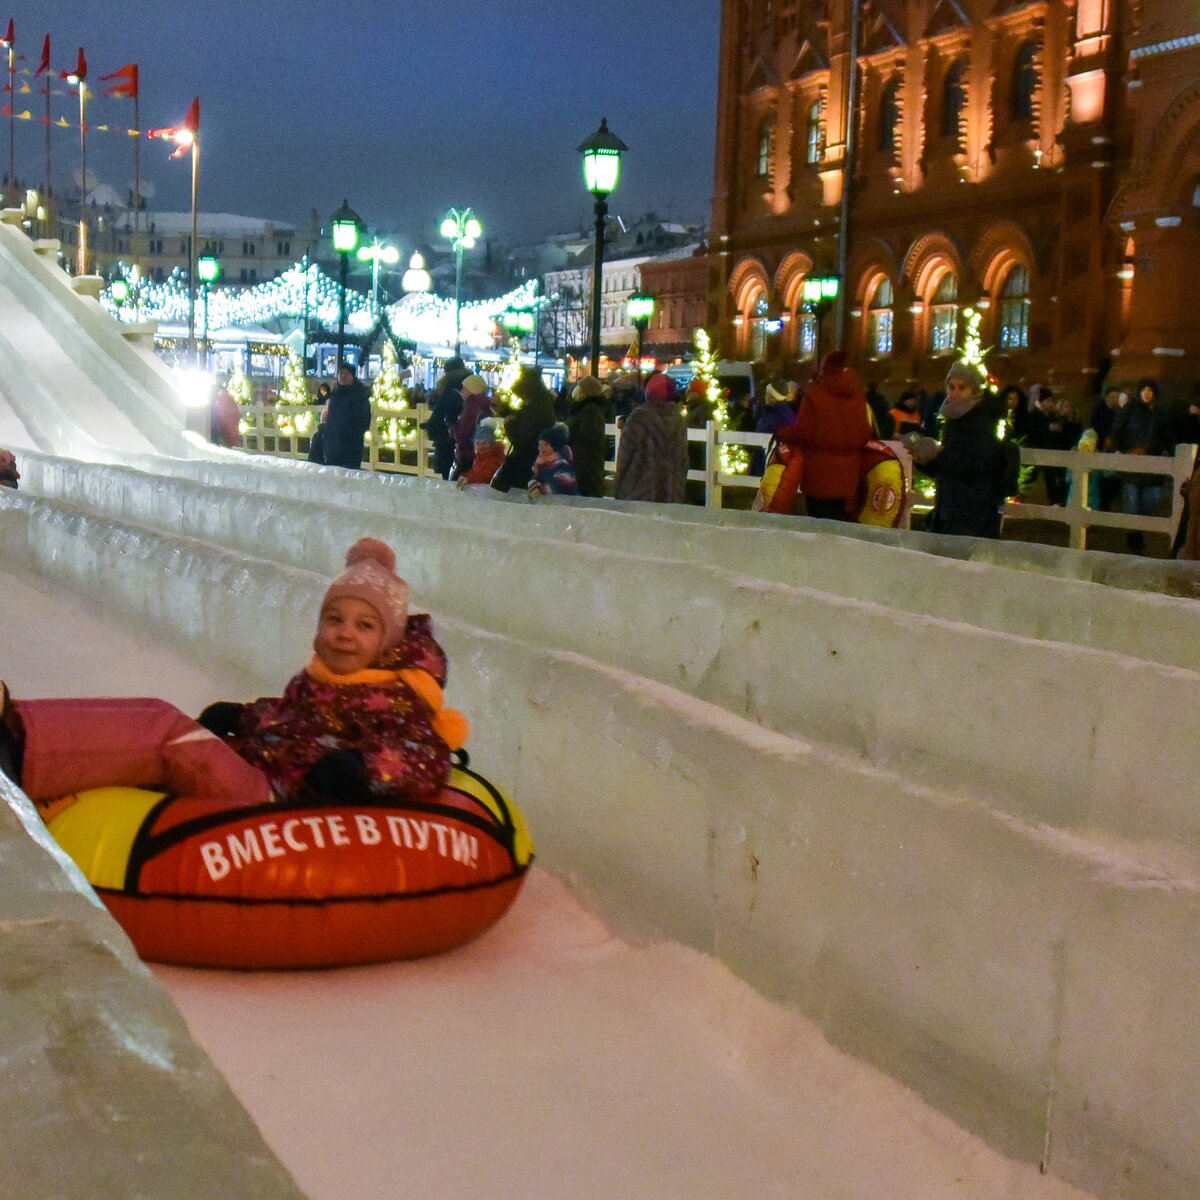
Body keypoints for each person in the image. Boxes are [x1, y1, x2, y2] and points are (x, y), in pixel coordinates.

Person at [0, 539, 467, 813]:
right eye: (334, 620)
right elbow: (290, 719)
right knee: (159, 712)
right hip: (264, 769)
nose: (344, 634)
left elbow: (424, 755)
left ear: (387, 643)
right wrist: (246, 715)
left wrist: (363, 770)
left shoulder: (394, 698)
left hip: (279, 800)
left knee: (166, 732)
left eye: (365, 627)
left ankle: (21, 755)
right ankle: (18, 721)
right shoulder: (321, 681)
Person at [768, 351, 872, 521]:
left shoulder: (815, 397)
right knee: (842, 523)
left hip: (819, 476)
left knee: (819, 524)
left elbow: (805, 432)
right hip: (848, 476)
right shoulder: (858, 398)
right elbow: (865, 434)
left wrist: (782, 432)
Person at [910, 359, 1006, 538]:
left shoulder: (982, 421)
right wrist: (923, 459)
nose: (955, 393)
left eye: (962, 388)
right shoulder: (955, 418)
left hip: (972, 514)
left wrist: (940, 454)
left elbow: (978, 467)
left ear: (974, 390)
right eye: (951, 387)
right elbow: (947, 469)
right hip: (951, 511)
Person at [1105, 377, 1171, 553]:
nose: (1147, 394)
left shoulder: (1160, 413)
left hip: (1153, 470)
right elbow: (1116, 431)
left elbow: (1167, 437)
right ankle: (1134, 540)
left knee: (1153, 499)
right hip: (1131, 468)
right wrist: (1119, 451)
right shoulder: (1130, 410)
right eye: (1144, 390)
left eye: (1150, 390)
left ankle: (1139, 530)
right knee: (1131, 505)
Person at [613, 371, 689, 504]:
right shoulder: (679, 420)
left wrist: (618, 487)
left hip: (639, 492)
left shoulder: (638, 417)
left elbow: (624, 457)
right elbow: (683, 461)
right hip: (671, 493)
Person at [491, 367, 557, 493]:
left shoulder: (536, 409)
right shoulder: (539, 405)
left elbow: (520, 437)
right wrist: (504, 410)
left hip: (525, 461)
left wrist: (509, 424)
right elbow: (521, 417)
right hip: (528, 459)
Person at [422, 356, 470, 479]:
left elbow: (438, 414)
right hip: (466, 440)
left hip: (447, 438)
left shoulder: (448, 390)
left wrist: (430, 428)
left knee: (443, 474)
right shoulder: (470, 387)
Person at [321, 364, 372, 470]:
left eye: (346, 374)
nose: (343, 376)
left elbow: (364, 420)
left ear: (352, 376)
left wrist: (354, 435)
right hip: (333, 445)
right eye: (341, 373)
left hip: (350, 446)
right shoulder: (335, 394)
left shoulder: (359, 395)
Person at [565, 375, 609, 498]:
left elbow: (585, 437)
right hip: (582, 466)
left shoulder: (591, 411)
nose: (577, 390)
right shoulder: (585, 410)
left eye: (580, 387)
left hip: (585, 469)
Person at [450, 374, 492, 478]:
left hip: (468, 455)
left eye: (464, 388)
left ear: (471, 390)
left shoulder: (471, 407)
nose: (462, 392)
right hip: (480, 455)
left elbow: (463, 436)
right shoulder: (486, 405)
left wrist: (453, 425)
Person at [528, 424, 580, 496]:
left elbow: (554, 491)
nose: (541, 448)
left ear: (555, 447)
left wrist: (537, 488)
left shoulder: (563, 466)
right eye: (540, 444)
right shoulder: (543, 464)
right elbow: (534, 483)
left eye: (546, 445)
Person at [456, 419, 506, 488]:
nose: (481, 446)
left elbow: (487, 476)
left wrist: (469, 479)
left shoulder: (495, 458)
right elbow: (474, 472)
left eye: (484, 443)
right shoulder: (479, 457)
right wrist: (465, 475)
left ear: (491, 444)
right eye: (478, 443)